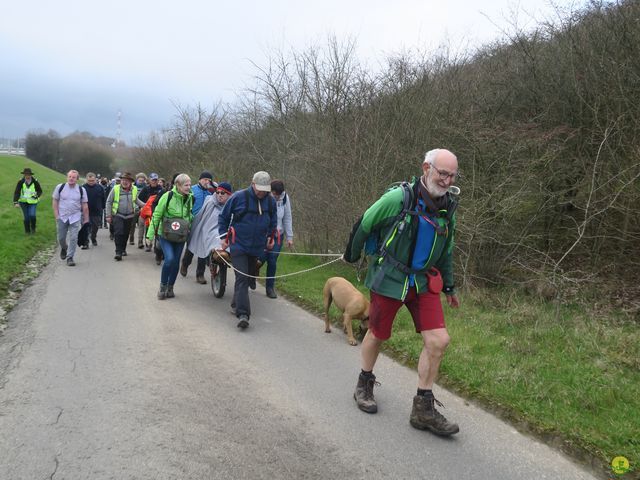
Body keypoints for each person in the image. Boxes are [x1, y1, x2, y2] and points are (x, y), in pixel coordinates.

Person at [343, 148, 461, 436]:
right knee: (377, 333)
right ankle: (364, 383)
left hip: (423, 283)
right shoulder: (400, 198)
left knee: (439, 340)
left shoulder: (448, 208)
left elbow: (445, 250)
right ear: (426, 168)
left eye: (452, 175)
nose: (446, 180)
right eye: (441, 173)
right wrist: (352, 254)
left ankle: (423, 409)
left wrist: (448, 285)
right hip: (390, 277)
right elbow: (366, 222)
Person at [219, 171, 277, 330]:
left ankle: (235, 303)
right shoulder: (238, 197)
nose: (261, 192)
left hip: (257, 246)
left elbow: (273, 221)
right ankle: (243, 314)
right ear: (252, 184)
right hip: (238, 244)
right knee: (243, 277)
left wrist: (271, 238)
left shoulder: (270, 202)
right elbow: (223, 217)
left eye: (264, 189)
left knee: (249, 275)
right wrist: (223, 237)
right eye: (259, 188)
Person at [147, 174, 194, 300]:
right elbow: (157, 214)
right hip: (166, 235)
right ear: (178, 185)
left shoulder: (190, 198)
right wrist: (150, 235)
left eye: (189, 185)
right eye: (186, 185)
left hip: (180, 236)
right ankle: (162, 287)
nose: (189, 187)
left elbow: (190, 215)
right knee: (169, 259)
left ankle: (170, 287)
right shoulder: (167, 196)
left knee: (176, 262)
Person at [186, 182, 233, 282]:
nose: (219, 195)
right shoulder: (210, 202)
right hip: (207, 229)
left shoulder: (233, 205)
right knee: (201, 243)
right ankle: (198, 272)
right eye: (218, 192)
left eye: (223, 193)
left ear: (229, 195)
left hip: (224, 231)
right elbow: (201, 217)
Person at [258, 179, 294, 299]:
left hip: (278, 235)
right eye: (274, 194)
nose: (277, 197)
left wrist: (290, 237)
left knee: (272, 260)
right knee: (260, 259)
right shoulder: (263, 197)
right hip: (263, 234)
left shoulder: (285, 199)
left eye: (278, 195)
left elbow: (287, 218)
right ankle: (251, 276)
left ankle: (269, 287)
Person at [180, 170, 215, 282]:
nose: (207, 182)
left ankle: (200, 274)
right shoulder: (192, 190)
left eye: (209, 180)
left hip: (206, 223)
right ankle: (185, 264)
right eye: (205, 179)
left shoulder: (211, 193)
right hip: (193, 222)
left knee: (203, 248)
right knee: (191, 246)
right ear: (200, 180)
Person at [52, 170, 89, 266]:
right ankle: (64, 248)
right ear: (67, 177)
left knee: (73, 237)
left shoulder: (81, 190)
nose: (71, 178)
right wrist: (56, 215)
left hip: (75, 217)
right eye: (70, 176)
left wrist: (86, 220)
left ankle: (70, 257)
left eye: (73, 177)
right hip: (62, 217)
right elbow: (55, 202)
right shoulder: (60, 187)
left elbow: (85, 205)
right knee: (61, 238)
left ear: (77, 179)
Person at [105, 172, 144, 261]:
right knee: (119, 233)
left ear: (131, 182)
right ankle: (118, 252)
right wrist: (108, 215)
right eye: (123, 180)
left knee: (126, 233)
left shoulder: (134, 189)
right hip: (118, 215)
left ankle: (123, 249)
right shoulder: (115, 189)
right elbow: (109, 202)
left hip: (130, 216)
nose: (124, 182)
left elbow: (136, 200)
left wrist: (146, 205)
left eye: (127, 180)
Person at [138, 172, 165, 252]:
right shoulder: (146, 189)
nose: (154, 181)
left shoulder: (161, 190)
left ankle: (157, 246)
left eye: (156, 180)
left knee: (157, 230)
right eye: (153, 180)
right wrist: (142, 207)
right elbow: (139, 199)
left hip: (158, 211)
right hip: (146, 212)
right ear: (150, 180)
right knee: (147, 227)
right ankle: (147, 244)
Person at [13, 167, 43, 234]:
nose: (27, 176)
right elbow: (17, 192)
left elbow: (40, 191)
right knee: (26, 218)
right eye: (26, 174)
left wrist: (36, 196)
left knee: (32, 215)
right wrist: (15, 202)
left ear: (31, 175)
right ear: (24, 175)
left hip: (33, 202)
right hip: (23, 202)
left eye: (28, 174)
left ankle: (33, 228)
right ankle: (27, 232)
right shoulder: (20, 181)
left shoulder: (35, 181)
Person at [82, 172, 106, 247]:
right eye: (89, 181)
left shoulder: (100, 188)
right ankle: (86, 243)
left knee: (95, 227)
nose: (91, 182)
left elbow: (103, 198)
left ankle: (93, 237)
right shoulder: (83, 188)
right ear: (86, 180)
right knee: (86, 227)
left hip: (97, 211)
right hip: (86, 211)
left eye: (92, 180)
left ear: (95, 180)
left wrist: (103, 207)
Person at [128, 173, 148, 247]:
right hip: (134, 208)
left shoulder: (146, 187)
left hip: (143, 208)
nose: (141, 181)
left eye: (142, 180)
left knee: (141, 225)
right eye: (140, 180)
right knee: (132, 225)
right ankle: (131, 238)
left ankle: (140, 241)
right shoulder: (132, 187)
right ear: (137, 179)